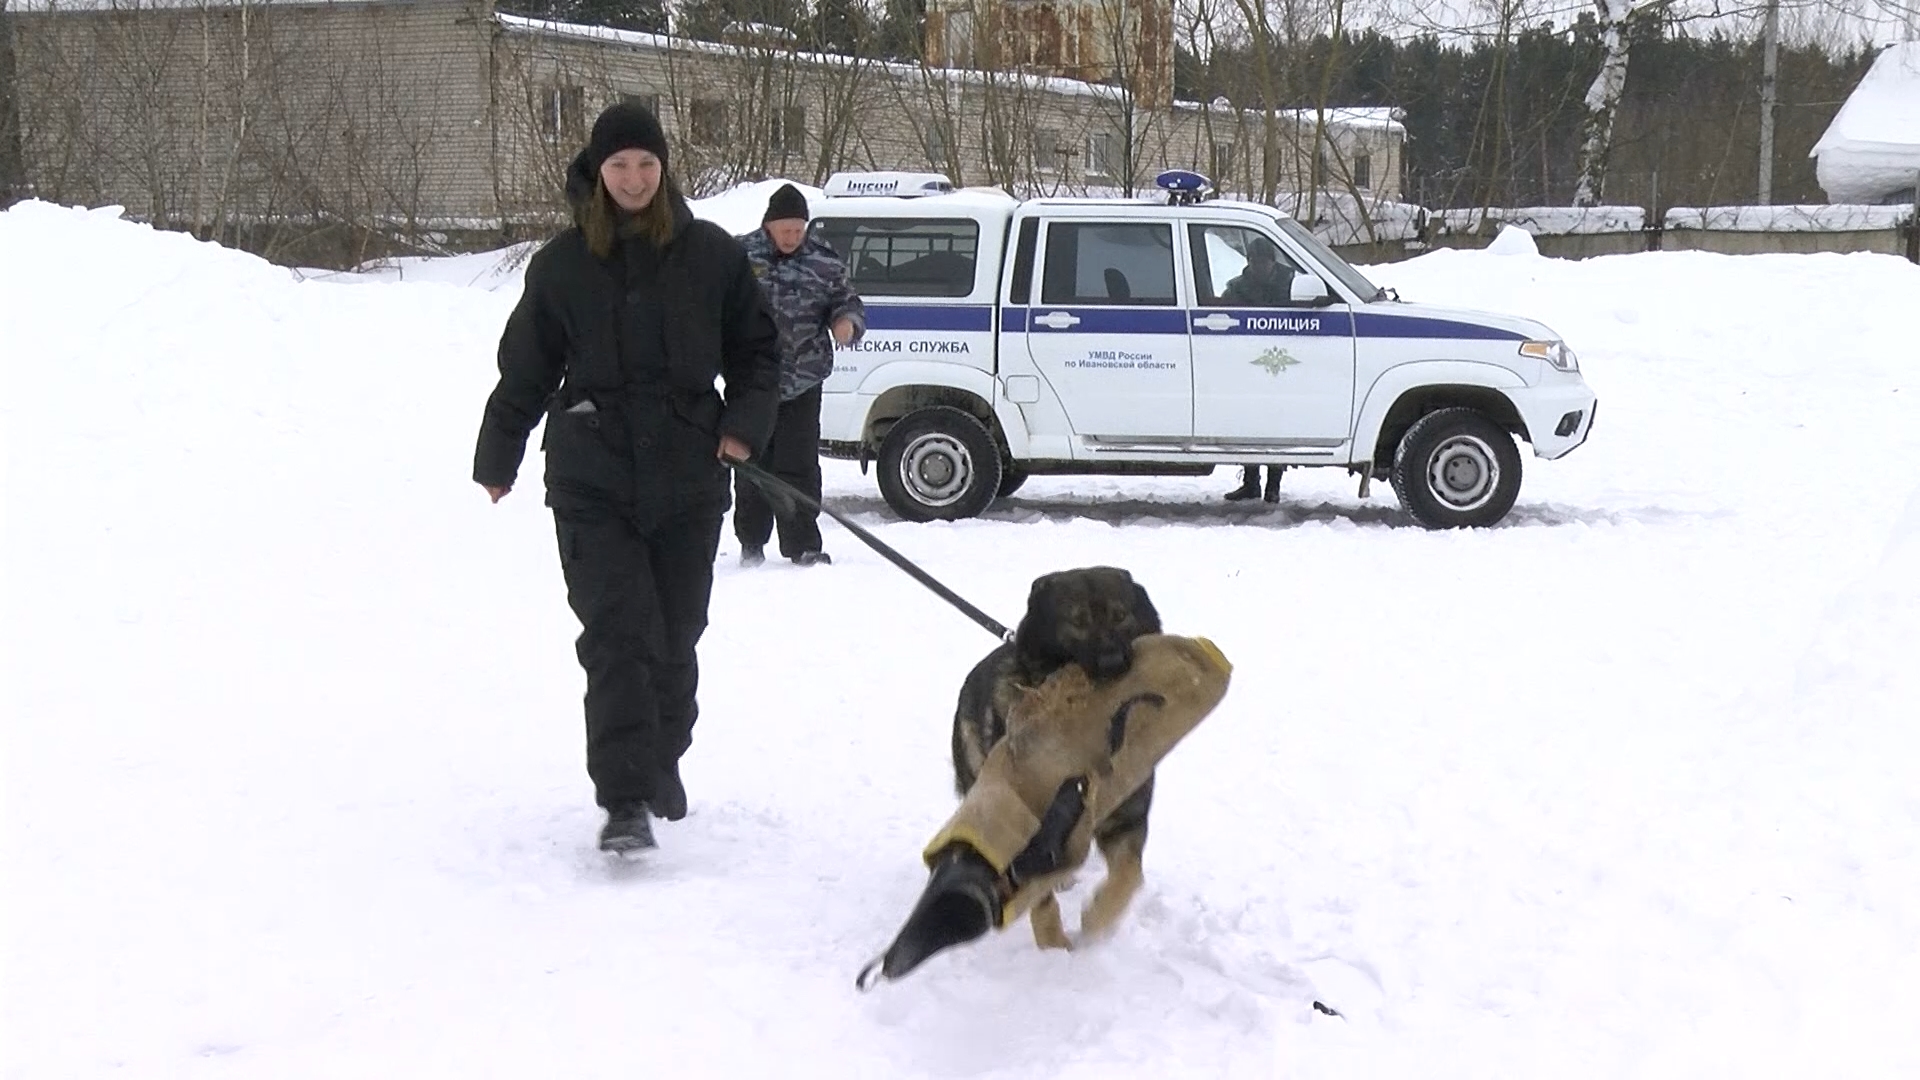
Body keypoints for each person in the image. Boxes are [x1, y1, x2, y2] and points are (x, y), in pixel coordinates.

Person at [471, 102, 782, 856]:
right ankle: (624, 800)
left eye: (646, 164)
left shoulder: (711, 255)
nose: (635, 178)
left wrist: (743, 424)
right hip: (592, 474)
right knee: (616, 636)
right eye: (620, 166)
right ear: (597, 172)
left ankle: (661, 757)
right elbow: (527, 365)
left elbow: (757, 353)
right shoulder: (564, 263)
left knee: (675, 638)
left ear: (665, 167)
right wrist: (499, 452)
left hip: (688, 468)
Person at [733, 183, 866, 567]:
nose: (793, 237)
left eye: (799, 229)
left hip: (804, 379)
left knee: (799, 464)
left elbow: (847, 301)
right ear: (769, 226)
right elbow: (713, 303)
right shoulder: (740, 255)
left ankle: (803, 545)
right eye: (786, 230)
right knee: (751, 462)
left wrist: (846, 323)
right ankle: (751, 541)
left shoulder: (824, 260)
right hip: (751, 380)